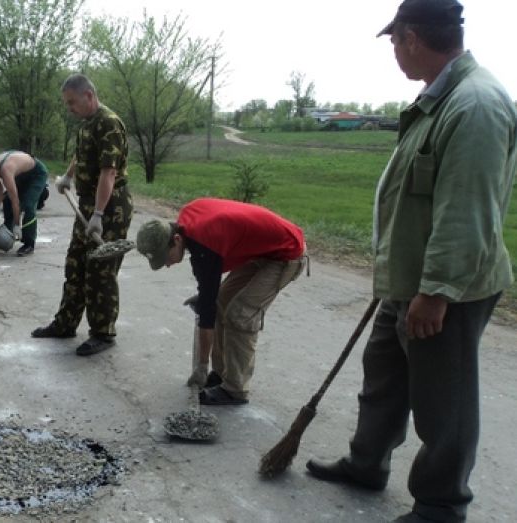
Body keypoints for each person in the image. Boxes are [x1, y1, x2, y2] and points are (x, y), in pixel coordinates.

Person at [304, 2, 517, 521]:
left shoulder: (476, 105)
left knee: (444, 400)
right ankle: (367, 463)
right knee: (384, 375)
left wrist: (436, 292)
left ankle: (442, 503)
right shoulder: (438, 99)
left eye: (395, 42)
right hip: (406, 281)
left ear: (412, 37)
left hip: (447, 289)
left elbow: (465, 210)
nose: (395, 53)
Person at [135, 198, 306, 405]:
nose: (168, 265)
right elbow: (210, 287)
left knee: (240, 314)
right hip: (261, 251)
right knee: (220, 302)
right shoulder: (189, 223)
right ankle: (221, 373)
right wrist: (207, 295)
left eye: (166, 257)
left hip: (286, 253)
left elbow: (206, 316)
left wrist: (200, 365)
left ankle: (235, 389)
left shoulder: (204, 244)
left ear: (177, 240)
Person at [31, 74, 133, 356]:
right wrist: (68, 175)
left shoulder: (109, 123)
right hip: (89, 202)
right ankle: (65, 323)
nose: (70, 108)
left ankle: (103, 333)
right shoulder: (88, 122)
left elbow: (108, 171)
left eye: (72, 102)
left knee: (101, 270)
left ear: (89, 95)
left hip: (111, 206)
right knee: (75, 264)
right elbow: (83, 155)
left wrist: (99, 214)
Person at [0, 151, 49, 256]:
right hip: (22, 174)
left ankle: (29, 244)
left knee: (28, 205)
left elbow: (15, 201)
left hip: (36, 174)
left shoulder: (5, 169)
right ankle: (7, 234)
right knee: (6, 200)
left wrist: (17, 224)